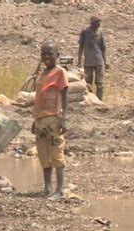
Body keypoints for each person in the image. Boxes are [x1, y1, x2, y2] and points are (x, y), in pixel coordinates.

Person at [32, 41, 69, 200]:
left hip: (53, 118)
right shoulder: (42, 74)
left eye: (50, 54)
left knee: (56, 153)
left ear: (57, 56)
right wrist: (35, 119)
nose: (47, 57)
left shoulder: (60, 72)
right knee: (43, 154)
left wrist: (63, 118)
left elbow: (65, 96)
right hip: (40, 120)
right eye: (44, 54)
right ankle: (47, 187)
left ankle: (59, 190)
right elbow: (38, 98)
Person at [78, 16, 108, 100]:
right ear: (92, 23)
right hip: (88, 62)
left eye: (99, 22)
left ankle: (99, 100)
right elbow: (81, 47)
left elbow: (103, 47)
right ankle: (90, 100)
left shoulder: (100, 32)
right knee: (88, 83)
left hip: (98, 61)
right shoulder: (85, 32)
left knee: (100, 83)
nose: (98, 24)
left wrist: (105, 61)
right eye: (97, 22)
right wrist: (79, 60)